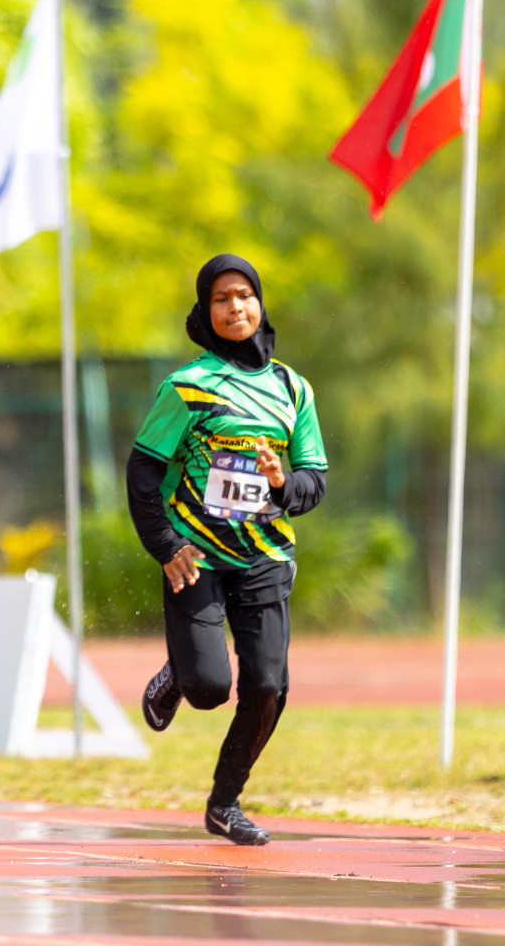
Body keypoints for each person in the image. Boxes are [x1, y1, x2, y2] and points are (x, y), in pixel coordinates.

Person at [127, 254, 327, 847]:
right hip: (197, 560)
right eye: (220, 298)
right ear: (204, 311)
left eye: (243, 295)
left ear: (259, 302)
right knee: (212, 688)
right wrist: (165, 545)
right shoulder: (187, 386)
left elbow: (314, 477)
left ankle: (225, 802)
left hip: (265, 557)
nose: (235, 307)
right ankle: (185, 673)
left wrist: (281, 484)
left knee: (267, 688)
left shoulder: (293, 388)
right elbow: (142, 472)